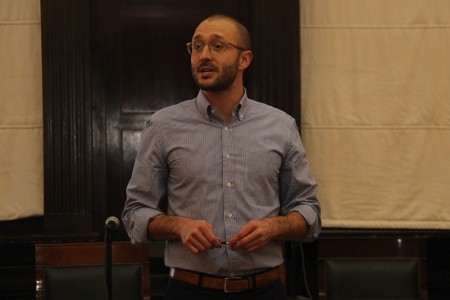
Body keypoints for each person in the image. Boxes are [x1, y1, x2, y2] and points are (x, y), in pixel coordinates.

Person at [122, 14, 321, 300]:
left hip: (265, 290)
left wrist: (273, 227)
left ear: (244, 59)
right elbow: (134, 214)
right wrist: (179, 225)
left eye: (217, 46)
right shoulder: (163, 126)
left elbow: (309, 213)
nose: (203, 55)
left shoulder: (281, 126)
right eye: (197, 47)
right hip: (189, 290)